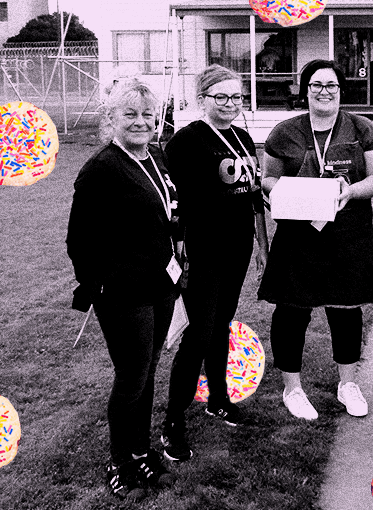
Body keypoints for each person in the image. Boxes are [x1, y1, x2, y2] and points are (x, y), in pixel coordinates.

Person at [67, 78, 179, 501]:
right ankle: (119, 461)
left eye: (147, 114)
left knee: (148, 371)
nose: (140, 122)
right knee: (132, 375)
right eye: (130, 114)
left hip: (161, 284)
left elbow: (167, 211)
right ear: (111, 118)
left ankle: (140, 449)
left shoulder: (156, 156)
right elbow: (78, 241)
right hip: (123, 293)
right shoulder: (101, 168)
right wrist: (100, 285)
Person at [259, 59, 373, 420]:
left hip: (348, 233)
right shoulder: (284, 132)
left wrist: (352, 191)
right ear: (305, 90)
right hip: (298, 234)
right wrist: (291, 191)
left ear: (341, 90)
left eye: (331, 85)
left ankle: (348, 384)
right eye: (316, 85)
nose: (324, 91)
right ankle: (292, 388)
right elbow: (268, 179)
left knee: (346, 310)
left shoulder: (362, 129)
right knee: (292, 311)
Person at [160, 64, 269, 462]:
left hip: (237, 248)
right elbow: (172, 202)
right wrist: (177, 249)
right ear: (202, 99)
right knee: (199, 333)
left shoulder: (242, 137)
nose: (229, 104)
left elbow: (253, 197)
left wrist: (262, 245)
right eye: (220, 96)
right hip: (202, 250)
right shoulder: (186, 141)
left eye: (236, 97)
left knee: (221, 325)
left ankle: (218, 399)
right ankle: (173, 422)